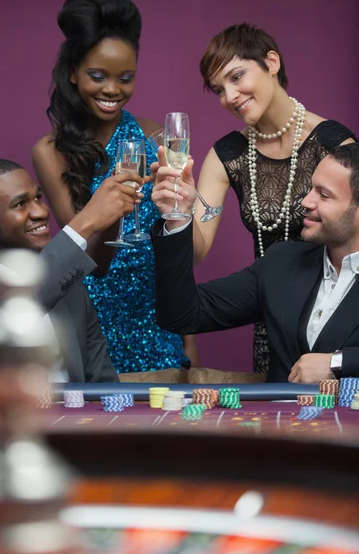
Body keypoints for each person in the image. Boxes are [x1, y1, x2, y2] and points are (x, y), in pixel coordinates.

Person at [152, 23, 356, 375]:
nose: (229, 96)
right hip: (271, 303)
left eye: (237, 76)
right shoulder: (228, 154)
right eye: (219, 89)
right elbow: (196, 250)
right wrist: (178, 212)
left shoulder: (334, 143)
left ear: (271, 62)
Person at [32, 0, 198, 375]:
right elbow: (86, 258)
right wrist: (113, 209)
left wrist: (171, 203)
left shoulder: (151, 132)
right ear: (73, 72)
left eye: (125, 78)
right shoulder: (51, 151)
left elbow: (177, 242)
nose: (112, 90)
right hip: (96, 313)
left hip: (153, 310)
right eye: (97, 76)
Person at [151, 143, 359, 384]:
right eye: (311, 188)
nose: (306, 201)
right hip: (279, 421)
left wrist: (337, 362)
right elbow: (180, 315)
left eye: (324, 195)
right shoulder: (282, 262)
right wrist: (177, 217)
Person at [0, 157, 145, 384]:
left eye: (38, 197)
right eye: (20, 204)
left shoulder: (69, 278)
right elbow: (8, 321)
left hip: (75, 418)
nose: (40, 212)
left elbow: (102, 382)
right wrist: (84, 223)